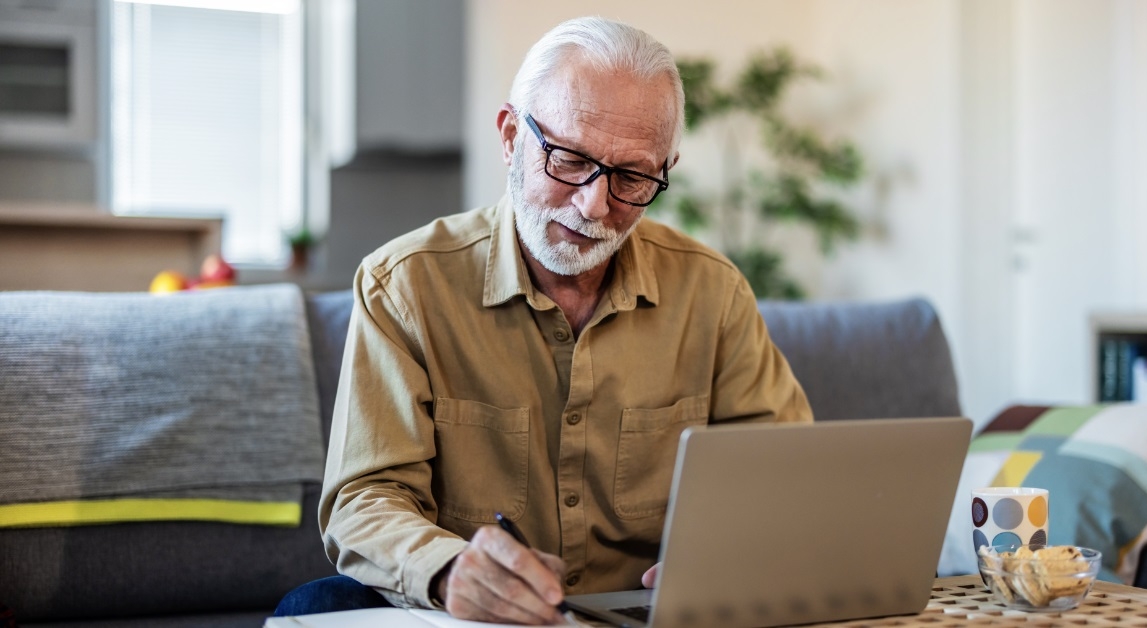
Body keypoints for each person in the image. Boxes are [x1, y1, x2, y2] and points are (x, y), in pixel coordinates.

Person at [276, 16, 812, 625]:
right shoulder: (404, 286)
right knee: (316, 607)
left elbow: (784, 474)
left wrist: (734, 555)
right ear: (510, 136)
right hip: (473, 617)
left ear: (666, 167)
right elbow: (365, 500)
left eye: (632, 177)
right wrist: (451, 571)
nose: (594, 203)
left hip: (650, 614)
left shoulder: (712, 292)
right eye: (569, 159)